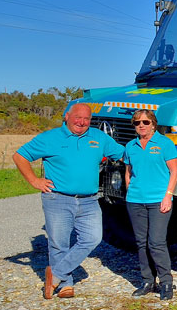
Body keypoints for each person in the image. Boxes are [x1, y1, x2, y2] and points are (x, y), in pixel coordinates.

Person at [13, 102, 124, 299]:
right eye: (77, 118)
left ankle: (56, 273)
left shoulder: (98, 137)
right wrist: (34, 180)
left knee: (92, 238)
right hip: (58, 199)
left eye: (86, 119)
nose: (82, 122)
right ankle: (65, 284)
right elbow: (20, 156)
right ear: (66, 116)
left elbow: (123, 154)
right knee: (59, 243)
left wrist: (151, 152)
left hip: (89, 200)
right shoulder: (50, 138)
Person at [123, 109, 177, 300]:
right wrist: (130, 190)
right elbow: (128, 172)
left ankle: (166, 282)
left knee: (156, 242)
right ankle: (147, 281)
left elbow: (174, 171)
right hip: (135, 201)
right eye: (137, 123)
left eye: (145, 122)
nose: (141, 125)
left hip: (158, 201)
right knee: (141, 243)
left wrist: (168, 196)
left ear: (153, 124)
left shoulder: (165, 143)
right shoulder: (130, 146)